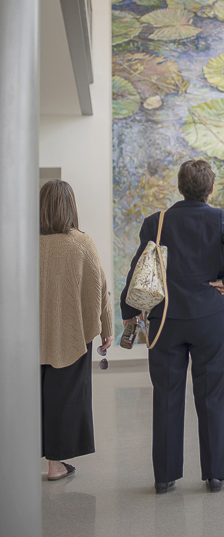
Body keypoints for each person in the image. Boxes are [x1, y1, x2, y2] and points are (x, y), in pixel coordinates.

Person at [121, 159, 224, 494]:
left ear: (179, 187)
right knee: (212, 396)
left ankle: (165, 477)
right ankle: (215, 475)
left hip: (165, 321)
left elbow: (140, 269)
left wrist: (129, 310)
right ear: (210, 189)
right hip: (210, 320)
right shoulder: (219, 218)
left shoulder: (157, 222)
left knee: (166, 396)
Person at [40, 179, 113, 481]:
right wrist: (107, 328)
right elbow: (99, 289)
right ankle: (55, 463)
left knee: (27, 399)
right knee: (63, 400)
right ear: (71, 206)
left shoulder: (25, 242)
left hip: (29, 340)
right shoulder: (81, 242)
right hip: (70, 335)